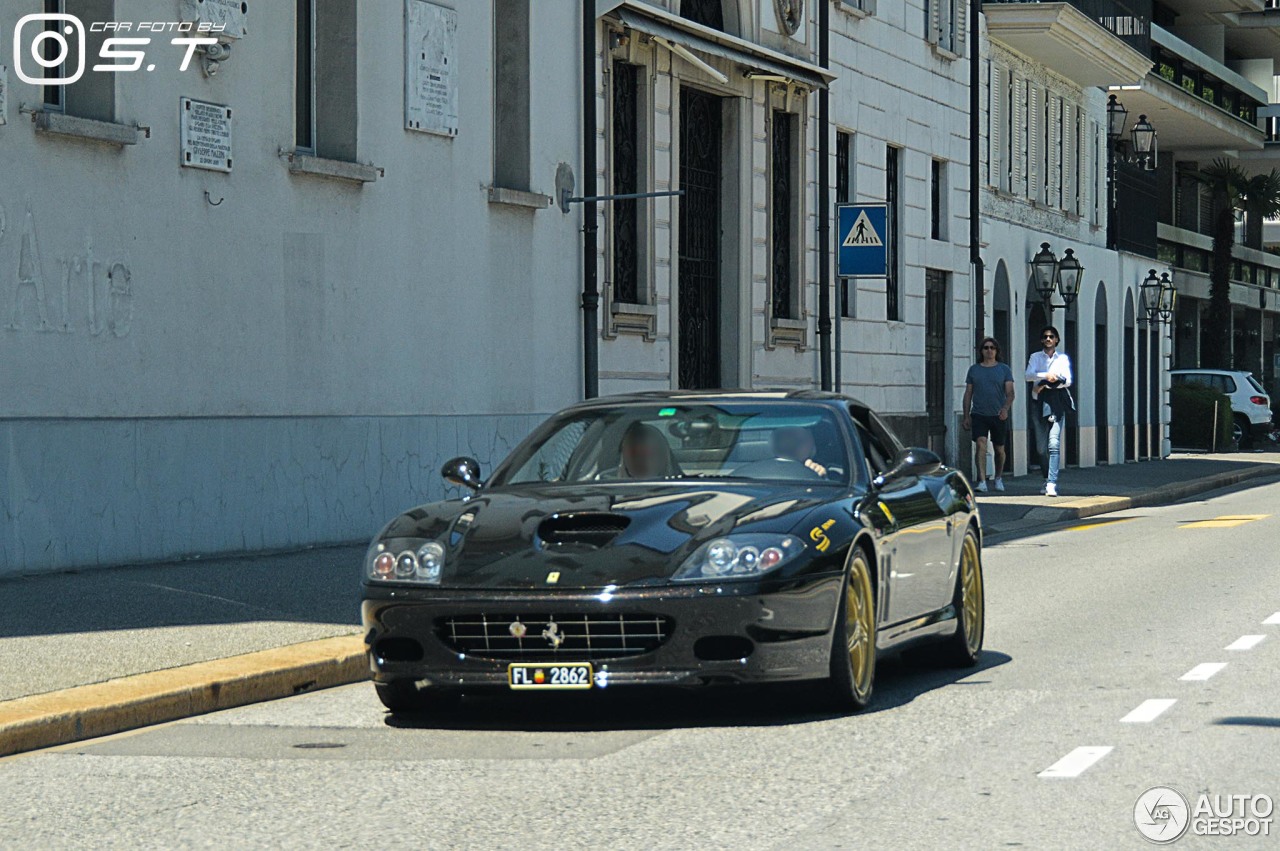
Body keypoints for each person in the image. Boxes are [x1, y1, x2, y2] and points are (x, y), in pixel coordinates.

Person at [1025, 325, 1074, 497]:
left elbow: (1067, 380)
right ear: (1041, 340)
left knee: (1053, 444)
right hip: (1037, 404)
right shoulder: (1035, 357)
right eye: (1045, 336)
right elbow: (1028, 375)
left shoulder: (1063, 359)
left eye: (1051, 336)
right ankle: (1046, 478)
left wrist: (1045, 384)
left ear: (1056, 340)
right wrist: (1047, 376)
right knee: (1040, 448)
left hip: (1056, 404)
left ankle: (1052, 483)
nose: (1048, 339)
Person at [962, 337, 1015, 493]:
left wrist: (1005, 408)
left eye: (992, 347)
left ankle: (998, 477)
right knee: (980, 444)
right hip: (979, 414)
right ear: (981, 351)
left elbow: (1010, 393)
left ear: (997, 351)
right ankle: (982, 481)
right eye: (986, 347)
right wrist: (966, 416)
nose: (989, 350)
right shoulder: (974, 370)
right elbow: (968, 393)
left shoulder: (1004, 369)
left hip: (998, 415)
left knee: (999, 449)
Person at [616, 422, 680, 479]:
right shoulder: (610, 487)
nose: (639, 459)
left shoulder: (684, 488)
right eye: (632, 453)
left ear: (663, 457)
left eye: (646, 452)